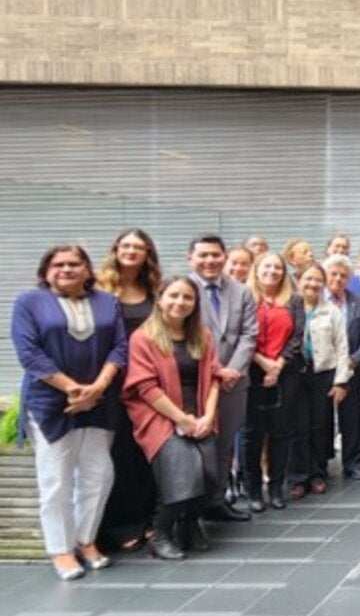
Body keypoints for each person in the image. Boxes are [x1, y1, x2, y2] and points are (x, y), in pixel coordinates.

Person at [13, 244, 126, 580]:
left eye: (74, 264)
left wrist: (97, 389)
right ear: (46, 271)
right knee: (56, 479)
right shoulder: (29, 302)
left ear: (88, 269)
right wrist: (73, 389)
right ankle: (60, 550)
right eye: (58, 264)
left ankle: (85, 539)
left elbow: (120, 347)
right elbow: (28, 353)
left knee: (99, 475)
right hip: (50, 404)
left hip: (100, 402)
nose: (66, 269)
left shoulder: (107, 301)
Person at [122, 276, 222, 560]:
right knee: (183, 476)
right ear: (161, 299)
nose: (180, 302)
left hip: (200, 414)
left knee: (210, 475)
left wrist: (208, 416)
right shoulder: (144, 338)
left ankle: (190, 526)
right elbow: (145, 387)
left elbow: (215, 377)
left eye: (187, 297)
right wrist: (181, 419)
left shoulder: (202, 335)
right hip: (161, 417)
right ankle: (161, 532)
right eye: (174, 296)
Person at [94, 229, 161, 552]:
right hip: (112, 382)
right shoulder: (98, 289)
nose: (132, 251)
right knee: (118, 453)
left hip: (148, 383)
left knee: (145, 451)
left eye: (139, 246)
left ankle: (146, 517)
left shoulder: (155, 290)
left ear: (147, 253)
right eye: (126, 245)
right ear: (116, 249)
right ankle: (119, 525)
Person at [187, 236, 256, 522]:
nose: (210, 261)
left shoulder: (241, 292)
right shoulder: (182, 290)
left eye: (216, 255)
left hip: (233, 383)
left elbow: (249, 334)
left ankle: (217, 501)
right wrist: (215, 370)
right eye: (203, 255)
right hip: (195, 382)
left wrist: (233, 371)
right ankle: (191, 507)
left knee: (225, 443)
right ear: (190, 258)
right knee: (193, 447)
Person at [241, 252, 301, 512]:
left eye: (278, 267)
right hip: (251, 371)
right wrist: (261, 361)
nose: (273, 271)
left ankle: (276, 488)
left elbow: (298, 336)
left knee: (281, 432)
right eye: (267, 266)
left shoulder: (294, 300)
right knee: (251, 434)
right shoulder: (245, 298)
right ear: (256, 270)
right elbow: (238, 334)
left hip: (285, 373)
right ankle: (253, 490)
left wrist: (278, 364)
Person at [286, 264, 351, 500]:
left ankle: (317, 474)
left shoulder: (331, 311)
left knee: (320, 425)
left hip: (323, 373)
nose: (313, 284)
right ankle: (297, 477)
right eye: (308, 279)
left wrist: (341, 381)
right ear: (298, 280)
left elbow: (342, 347)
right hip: (294, 373)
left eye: (317, 280)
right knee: (297, 426)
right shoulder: (289, 307)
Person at [322, 255, 360, 481]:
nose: (338, 278)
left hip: (351, 367)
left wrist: (356, 358)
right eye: (333, 274)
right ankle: (319, 466)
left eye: (343, 275)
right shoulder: (315, 300)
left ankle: (353, 463)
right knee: (320, 418)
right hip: (321, 370)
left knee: (352, 418)